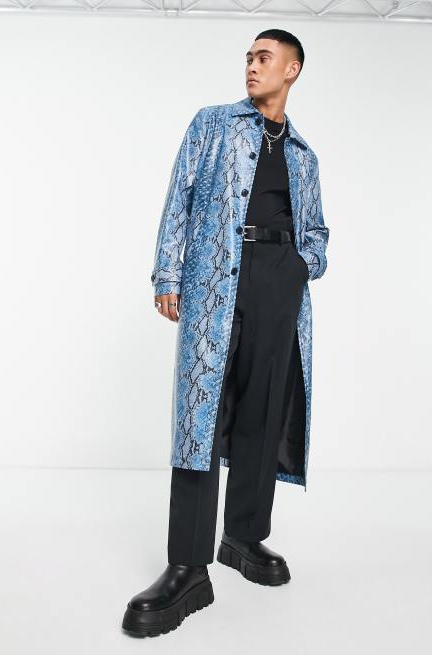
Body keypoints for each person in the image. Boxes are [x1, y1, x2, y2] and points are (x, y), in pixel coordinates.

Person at [122, 28, 329, 637]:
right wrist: (168, 272)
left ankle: (243, 536)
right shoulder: (212, 124)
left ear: (292, 70)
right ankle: (188, 566)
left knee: (263, 408)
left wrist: (300, 266)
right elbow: (179, 199)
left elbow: (318, 232)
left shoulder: (304, 155)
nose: (251, 67)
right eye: (248, 58)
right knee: (200, 417)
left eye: (264, 58)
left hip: (278, 282)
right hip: (217, 279)